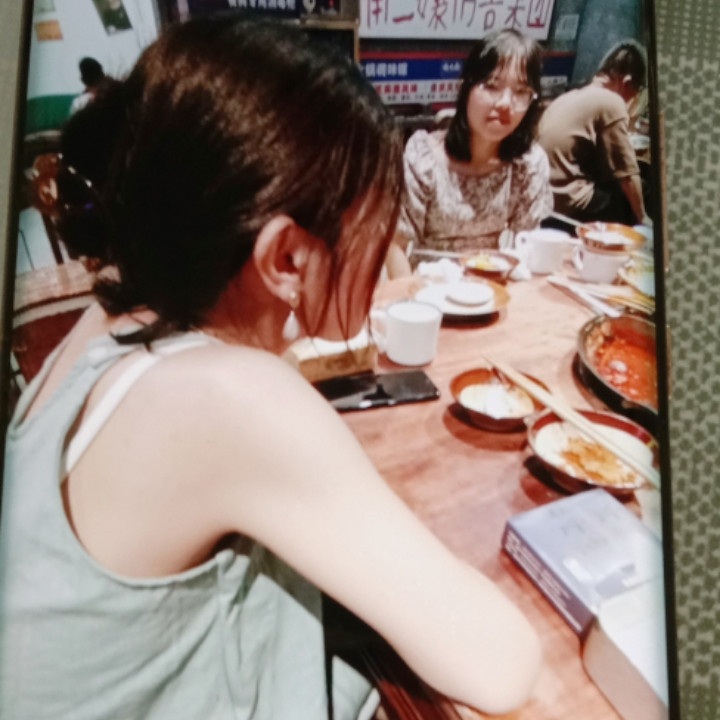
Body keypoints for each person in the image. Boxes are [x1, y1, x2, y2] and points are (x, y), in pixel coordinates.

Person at [0, 16, 541, 720]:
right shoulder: (228, 398)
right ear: (287, 257)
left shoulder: (107, 316)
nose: (385, 246)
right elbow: (501, 666)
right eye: (380, 221)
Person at [388, 29, 552, 276]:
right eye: (492, 86)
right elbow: (395, 245)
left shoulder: (527, 164)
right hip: (429, 286)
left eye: (521, 92)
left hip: (492, 286)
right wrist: (410, 296)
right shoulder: (423, 158)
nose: (505, 103)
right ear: (466, 87)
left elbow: (527, 246)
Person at [538, 41, 650, 227]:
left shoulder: (570, 96)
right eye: (637, 90)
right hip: (565, 205)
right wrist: (643, 218)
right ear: (627, 82)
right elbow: (628, 173)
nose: (635, 97)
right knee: (640, 189)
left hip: (540, 198)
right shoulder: (612, 101)